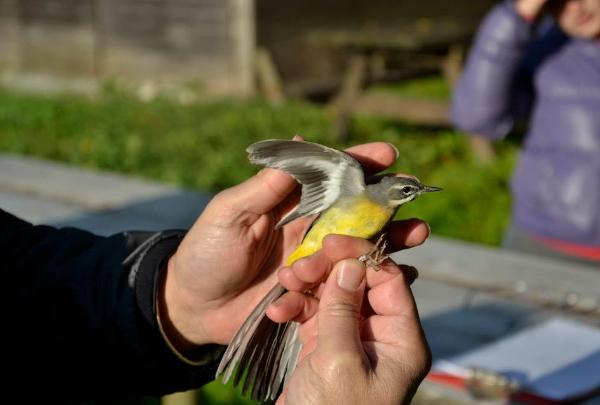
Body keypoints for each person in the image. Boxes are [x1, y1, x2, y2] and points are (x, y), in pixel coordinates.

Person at [1, 141, 431, 402]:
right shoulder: (354, 185)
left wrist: (180, 300)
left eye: (413, 192)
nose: (411, 194)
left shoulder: (382, 208)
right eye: (408, 190)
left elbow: (25, 273)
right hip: (309, 255)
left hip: (291, 274)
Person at [452, 0, 600, 265]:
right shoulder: (546, 49)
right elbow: (476, 117)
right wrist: (515, 18)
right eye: (556, 2)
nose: (574, 7)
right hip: (546, 240)